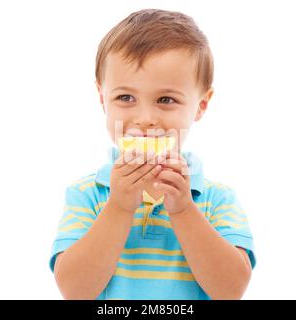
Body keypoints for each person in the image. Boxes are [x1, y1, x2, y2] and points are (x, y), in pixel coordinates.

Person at [49, 8, 256, 300]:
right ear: (102, 98)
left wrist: (183, 209)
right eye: (125, 98)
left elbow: (231, 290)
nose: (145, 118)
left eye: (166, 99)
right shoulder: (87, 194)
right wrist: (119, 207)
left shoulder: (216, 199)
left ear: (201, 105)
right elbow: (74, 291)